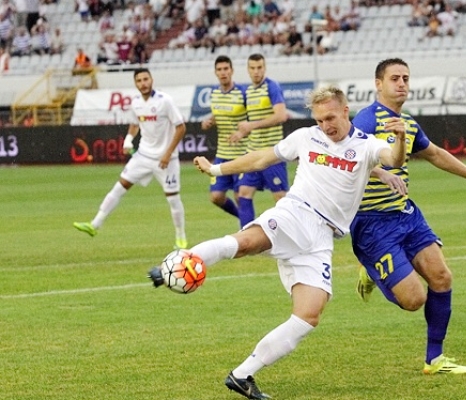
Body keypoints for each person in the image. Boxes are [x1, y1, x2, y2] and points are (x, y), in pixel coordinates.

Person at [148, 85, 407, 400]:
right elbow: (260, 158)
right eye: (319, 119)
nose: (326, 126)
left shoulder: (366, 145)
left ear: (344, 109)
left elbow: (392, 157)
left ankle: (242, 375)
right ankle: (172, 266)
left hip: (322, 238)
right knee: (245, 243)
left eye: (330, 117)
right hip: (296, 212)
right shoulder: (305, 137)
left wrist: (401, 139)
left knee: (309, 314)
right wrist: (216, 168)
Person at [351, 58, 466, 374]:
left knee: (442, 276)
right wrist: (382, 174)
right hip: (372, 223)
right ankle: (372, 269)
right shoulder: (366, 121)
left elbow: (433, 153)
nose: (402, 83)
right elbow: (349, 158)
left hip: (405, 215)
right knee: (413, 299)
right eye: (395, 78)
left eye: (406, 77)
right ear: (379, 84)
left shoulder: (406, 121)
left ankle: (435, 360)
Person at [73, 69, 188, 249]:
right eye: (139, 80)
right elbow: (135, 124)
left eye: (145, 79)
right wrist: (128, 139)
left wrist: (167, 154)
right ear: (135, 84)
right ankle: (95, 224)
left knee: (173, 198)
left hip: (167, 159)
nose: (143, 83)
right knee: (119, 187)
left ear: (152, 80)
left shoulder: (164, 101)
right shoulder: (135, 103)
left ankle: (181, 238)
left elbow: (181, 128)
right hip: (143, 155)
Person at [226, 53, 290, 227]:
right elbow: (250, 122)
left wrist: (251, 126)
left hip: (272, 153)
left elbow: (281, 116)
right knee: (242, 193)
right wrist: (242, 133)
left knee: (281, 198)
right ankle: (246, 236)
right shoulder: (249, 92)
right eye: (252, 68)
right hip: (253, 152)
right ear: (247, 70)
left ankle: (288, 235)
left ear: (265, 68)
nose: (256, 71)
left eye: (259, 67)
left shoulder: (272, 87)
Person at [200, 55, 249, 225]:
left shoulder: (243, 93)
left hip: (241, 154)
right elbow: (217, 112)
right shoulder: (214, 93)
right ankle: (244, 219)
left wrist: (243, 132)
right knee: (216, 196)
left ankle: (247, 231)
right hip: (222, 153)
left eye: (226, 69)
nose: (223, 73)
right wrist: (209, 121)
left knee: (240, 196)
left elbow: (252, 120)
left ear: (232, 71)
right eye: (219, 70)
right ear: (215, 72)